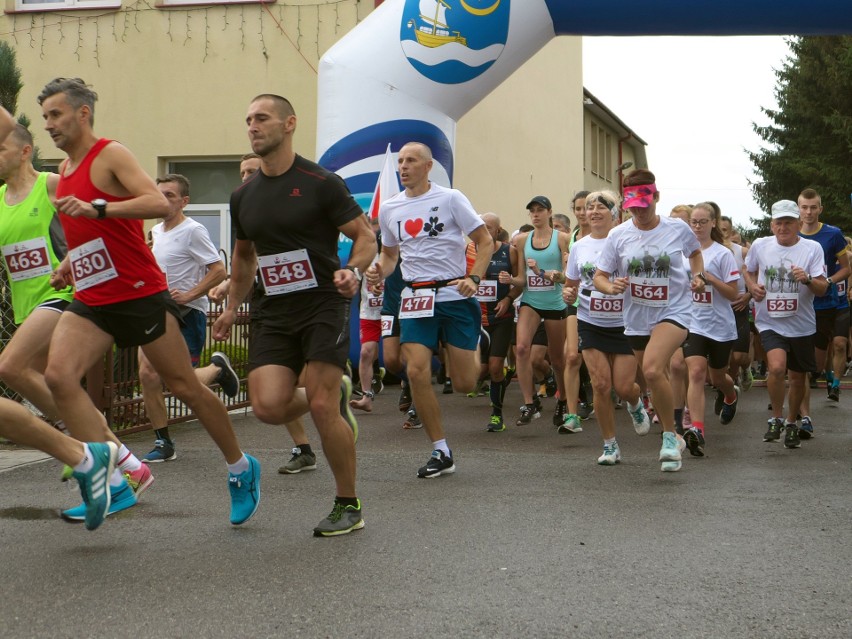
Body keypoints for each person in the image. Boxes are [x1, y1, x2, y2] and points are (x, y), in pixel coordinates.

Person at [38, 77, 261, 527]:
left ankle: (240, 467)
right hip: (93, 297)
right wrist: (70, 263)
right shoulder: (63, 170)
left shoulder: (110, 155)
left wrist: (99, 207)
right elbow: (90, 235)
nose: (49, 125)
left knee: (184, 386)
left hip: (138, 295)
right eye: (44, 117)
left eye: (56, 114)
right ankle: (116, 481)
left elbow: (158, 204)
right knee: (59, 378)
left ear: (83, 113)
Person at [213, 93, 374, 536]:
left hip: (323, 302)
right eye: (247, 119)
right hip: (273, 309)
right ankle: (336, 398)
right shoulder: (243, 195)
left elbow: (365, 237)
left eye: (261, 118)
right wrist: (231, 307)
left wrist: (352, 270)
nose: (252, 126)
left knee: (320, 405)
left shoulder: (321, 182)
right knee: (267, 406)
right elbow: (244, 259)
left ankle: (348, 503)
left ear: (289, 124)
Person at [0, 120, 154, 505]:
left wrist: (75, 259)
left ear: (24, 151)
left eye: (0, 149)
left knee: (10, 368)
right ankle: (126, 461)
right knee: (53, 384)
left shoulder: (50, 184)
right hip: (26, 304)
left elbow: (95, 222)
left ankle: (83, 445)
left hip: (67, 293)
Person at [366, 141, 492, 477]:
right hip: (416, 297)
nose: (403, 166)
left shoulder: (451, 198)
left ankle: (479, 340)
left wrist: (475, 278)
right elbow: (391, 256)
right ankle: (441, 450)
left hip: (454, 294)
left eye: (411, 161)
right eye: (400, 162)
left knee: (465, 383)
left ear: (428, 165)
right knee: (416, 370)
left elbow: (485, 240)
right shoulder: (390, 209)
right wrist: (379, 270)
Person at [209, 153, 319, 476]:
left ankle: (329, 403)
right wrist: (231, 287)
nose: (246, 177)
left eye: (252, 171)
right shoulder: (248, 207)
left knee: (307, 381)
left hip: (309, 301)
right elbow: (248, 259)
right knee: (278, 383)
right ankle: (303, 447)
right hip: (267, 302)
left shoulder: (296, 203)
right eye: (242, 172)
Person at [594, 169, 704, 472]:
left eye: (646, 205)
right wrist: (610, 287)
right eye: (633, 207)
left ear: (656, 197)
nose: (640, 213)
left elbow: (695, 254)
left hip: (674, 311)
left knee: (654, 369)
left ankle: (670, 437)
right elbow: (600, 276)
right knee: (650, 377)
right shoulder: (618, 235)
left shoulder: (677, 228)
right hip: (637, 316)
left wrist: (698, 275)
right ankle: (671, 432)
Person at [137, 174, 241, 463]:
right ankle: (163, 441)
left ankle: (217, 369)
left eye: (170, 195)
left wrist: (189, 294)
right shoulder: (156, 231)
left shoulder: (193, 230)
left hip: (186, 312)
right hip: (155, 309)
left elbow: (219, 270)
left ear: (184, 201)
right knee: (147, 374)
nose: (163, 200)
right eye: (160, 194)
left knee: (180, 384)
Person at [563, 190, 651, 464]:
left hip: (625, 323)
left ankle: (635, 403)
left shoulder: (628, 241)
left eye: (602, 206)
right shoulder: (579, 245)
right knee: (601, 384)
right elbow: (572, 286)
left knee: (624, 388)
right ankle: (610, 445)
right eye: (590, 207)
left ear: (615, 214)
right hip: (591, 321)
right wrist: (568, 294)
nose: (594, 211)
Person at [744, 200, 827, 449]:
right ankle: (776, 417)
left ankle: (792, 422)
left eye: (789, 222)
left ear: (798, 224)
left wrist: (808, 279)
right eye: (779, 222)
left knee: (798, 378)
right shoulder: (760, 245)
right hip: (770, 321)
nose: (783, 227)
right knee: (777, 368)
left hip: (801, 324)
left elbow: (822, 289)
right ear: (772, 225)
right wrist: (752, 287)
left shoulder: (812, 249)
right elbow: (747, 270)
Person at [681, 203, 741, 457]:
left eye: (703, 222)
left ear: (713, 223)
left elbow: (733, 294)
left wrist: (710, 278)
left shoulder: (722, 254)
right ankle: (697, 430)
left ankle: (730, 395)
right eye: (693, 222)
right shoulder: (682, 253)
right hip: (691, 322)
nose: (697, 227)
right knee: (695, 372)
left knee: (717, 378)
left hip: (718, 325)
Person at [506, 196, 571, 428]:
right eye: (532, 211)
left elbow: (566, 276)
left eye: (540, 210)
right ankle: (529, 403)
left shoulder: (562, 238)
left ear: (549, 213)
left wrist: (552, 274)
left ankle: (563, 400)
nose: (535, 214)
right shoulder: (523, 240)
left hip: (555, 303)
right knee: (522, 348)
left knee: (557, 359)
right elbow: (523, 279)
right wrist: (510, 279)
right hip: (531, 301)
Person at [796, 188, 850, 437]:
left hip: (827, 305)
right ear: (798, 208)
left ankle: (828, 375)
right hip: (797, 306)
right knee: (799, 365)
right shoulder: (789, 232)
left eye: (813, 207)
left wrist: (826, 281)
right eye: (804, 207)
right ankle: (802, 413)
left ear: (820, 209)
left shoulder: (833, 234)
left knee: (817, 363)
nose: (808, 212)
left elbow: (846, 268)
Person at [472, 212, 518, 432]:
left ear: (498, 231)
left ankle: (497, 416)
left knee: (496, 367)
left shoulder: (509, 252)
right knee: (476, 372)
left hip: (501, 317)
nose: (483, 231)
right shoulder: (468, 250)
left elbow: (521, 282)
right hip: (476, 318)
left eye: (488, 227)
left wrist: (508, 299)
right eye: (480, 226)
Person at [350, 217, 384, 412]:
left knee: (402, 358)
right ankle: (366, 397)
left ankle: (412, 396)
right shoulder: (366, 256)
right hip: (369, 312)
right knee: (365, 353)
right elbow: (354, 278)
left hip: (391, 313)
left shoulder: (394, 255)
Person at [719, 215, 753, 392]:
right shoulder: (704, 252)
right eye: (717, 228)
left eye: (724, 230)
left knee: (739, 356)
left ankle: (742, 370)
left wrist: (749, 295)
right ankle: (727, 388)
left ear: (731, 232)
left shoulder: (743, 252)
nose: (720, 233)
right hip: (717, 307)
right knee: (723, 355)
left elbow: (757, 277)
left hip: (738, 305)